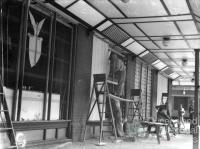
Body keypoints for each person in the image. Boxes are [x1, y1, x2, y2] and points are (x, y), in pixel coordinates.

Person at [109, 52, 126, 137]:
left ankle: (119, 132)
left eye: (112, 60)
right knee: (116, 111)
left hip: (117, 92)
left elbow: (113, 70)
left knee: (117, 111)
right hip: (117, 91)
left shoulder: (118, 63)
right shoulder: (119, 65)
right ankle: (118, 131)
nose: (112, 62)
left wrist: (116, 92)